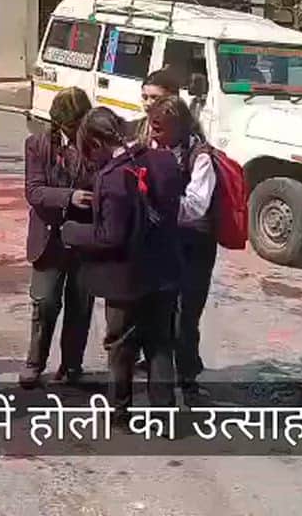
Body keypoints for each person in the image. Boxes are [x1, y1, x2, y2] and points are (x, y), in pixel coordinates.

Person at [61, 107, 184, 421]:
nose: (92, 159)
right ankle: (165, 415)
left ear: (97, 143)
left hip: (126, 279)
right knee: (160, 344)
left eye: (90, 151)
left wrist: (71, 231)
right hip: (165, 272)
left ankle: (119, 411)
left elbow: (109, 236)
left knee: (120, 344)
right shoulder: (165, 160)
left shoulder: (112, 178)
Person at [19, 87, 95, 389]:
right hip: (49, 239)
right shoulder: (37, 145)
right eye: (71, 126)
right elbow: (34, 191)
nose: (76, 131)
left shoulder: (97, 146)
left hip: (85, 239)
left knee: (81, 305)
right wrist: (69, 196)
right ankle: (34, 363)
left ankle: (72, 364)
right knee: (45, 303)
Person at [147, 95, 218, 403]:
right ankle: (162, 374)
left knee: (187, 317)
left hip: (195, 246)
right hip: (165, 242)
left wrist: (159, 204)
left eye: (159, 128)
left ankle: (188, 379)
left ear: (178, 127)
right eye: (152, 126)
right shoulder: (153, 148)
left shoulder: (200, 158)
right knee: (161, 312)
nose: (153, 133)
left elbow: (196, 206)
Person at [131, 68, 181, 144]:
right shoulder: (134, 129)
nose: (148, 103)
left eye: (154, 98)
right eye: (145, 97)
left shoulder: (185, 136)